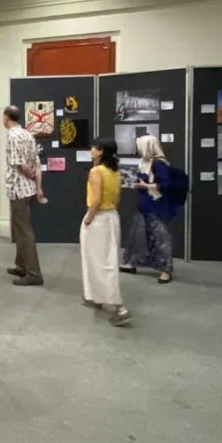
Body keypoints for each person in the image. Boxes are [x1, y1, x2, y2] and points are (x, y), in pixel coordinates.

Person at [80, 137, 130, 327]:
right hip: (111, 217)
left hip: (98, 217)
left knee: (98, 261)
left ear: (100, 151)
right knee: (107, 259)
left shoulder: (96, 171)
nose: (91, 150)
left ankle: (119, 306)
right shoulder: (114, 171)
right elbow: (116, 197)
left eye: (94, 148)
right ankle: (95, 296)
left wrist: (89, 218)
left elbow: (96, 199)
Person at [121, 134, 177, 284]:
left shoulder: (159, 164)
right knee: (138, 235)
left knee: (161, 237)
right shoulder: (144, 162)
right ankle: (132, 263)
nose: (138, 149)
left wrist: (146, 186)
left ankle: (166, 271)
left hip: (156, 207)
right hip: (144, 204)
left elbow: (166, 186)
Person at [2, 105, 46, 286]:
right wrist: (38, 186)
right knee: (20, 229)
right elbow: (37, 161)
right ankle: (21, 265)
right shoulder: (28, 134)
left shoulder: (12, 136)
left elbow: (22, 165)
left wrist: (31, 176)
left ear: (6, 117)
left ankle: (34, 273)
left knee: (24, 231)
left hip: (18, 190)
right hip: (27, 190)